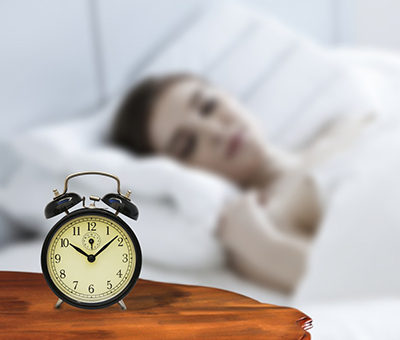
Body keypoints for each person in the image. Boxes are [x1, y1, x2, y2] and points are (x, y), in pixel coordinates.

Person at [111, 73, 375, 292]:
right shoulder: (254, 226)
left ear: (229, 95)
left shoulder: (344, 123)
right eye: (187, 145)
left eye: (208, 106)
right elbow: (347, 281)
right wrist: (259, 241)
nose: (215, 131)